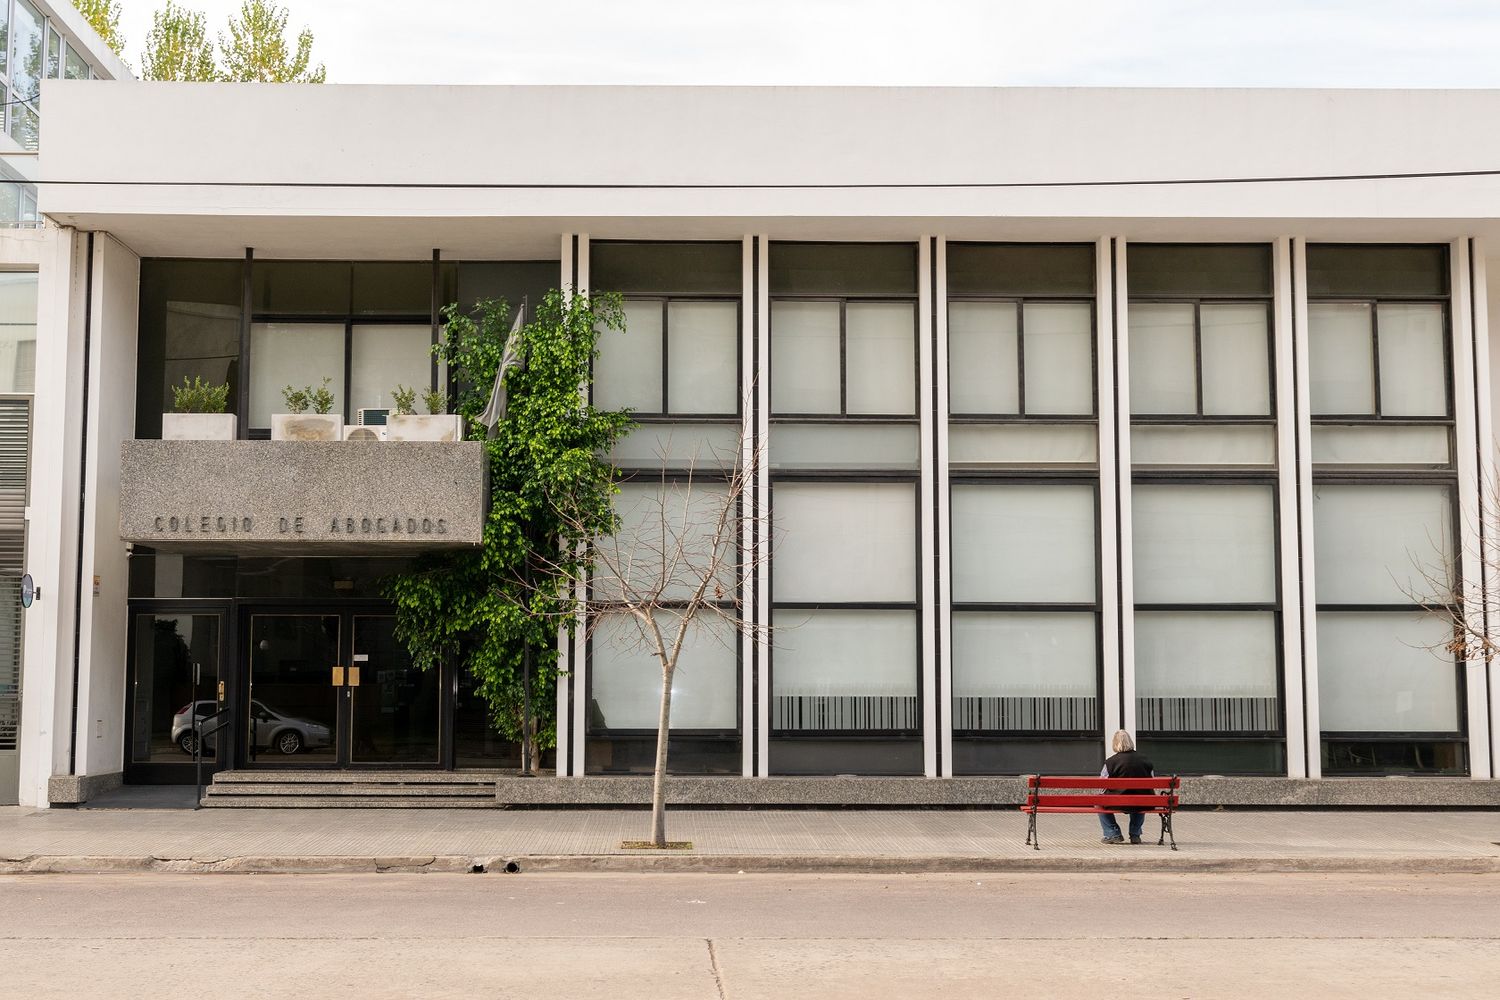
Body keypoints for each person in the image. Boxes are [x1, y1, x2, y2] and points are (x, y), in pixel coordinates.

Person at [1099, 730, 1154, 845]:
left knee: (1098, 802)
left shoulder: (1110, 762)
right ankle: (1135, 834)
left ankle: (1112, 833)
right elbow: (1151, 781)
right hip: (1142, 800)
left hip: (1118, 801)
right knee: (1140, 799)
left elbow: (1102, 784)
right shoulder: (1145, 760)